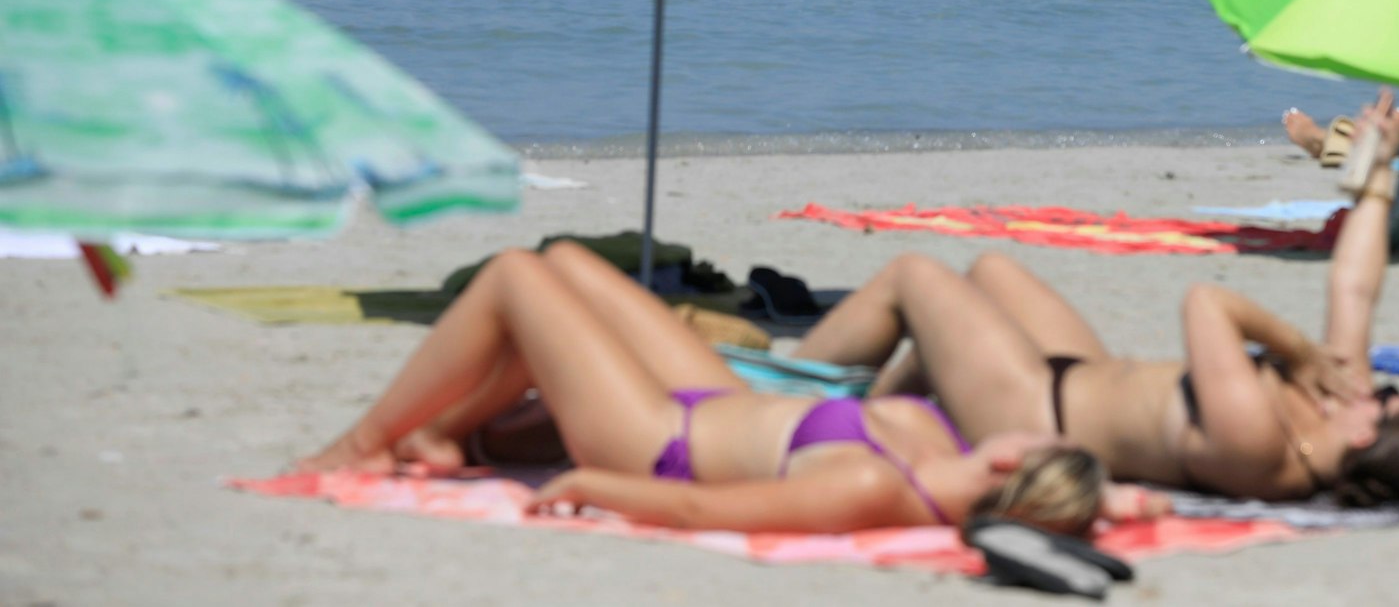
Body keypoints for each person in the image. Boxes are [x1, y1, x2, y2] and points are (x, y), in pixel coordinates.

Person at [795, 92, 1399, 506]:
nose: (1373, 387)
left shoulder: (1257, 441)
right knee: (992, 270)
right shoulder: (1334, 405)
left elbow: (1206, 303)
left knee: (915, 274)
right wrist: (1377, 168)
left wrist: (1294, 347)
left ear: (1367, 433)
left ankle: (787, 404)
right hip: (1082, 374)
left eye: (1385, 397)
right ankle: (885, 412)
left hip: (1036, 408)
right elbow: (1355, 285)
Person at [298, 240, 1111, 537]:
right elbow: (1087, 500)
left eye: (1048, 447)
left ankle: (361, 446)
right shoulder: (955, 457)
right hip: (719, 397)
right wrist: (1103, 503)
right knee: (572, 265)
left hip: (662, 442)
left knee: (519, 277)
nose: (1034, 430)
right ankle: (453, 433)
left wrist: (588, 482)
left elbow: (701, 511)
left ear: (1011, 471)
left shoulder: (871, 484)